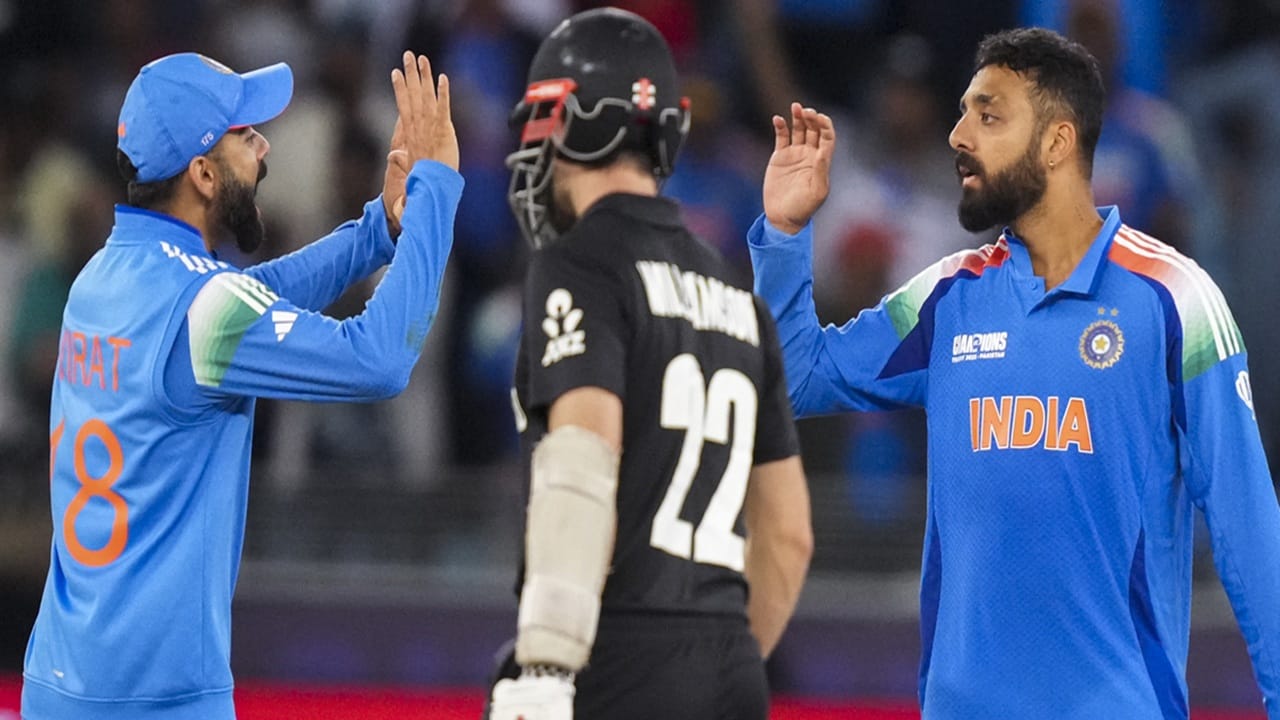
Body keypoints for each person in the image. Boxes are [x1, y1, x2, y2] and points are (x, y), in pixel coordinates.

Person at [748, 27, 1280, 719]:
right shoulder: (947, 297)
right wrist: (785, 237)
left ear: (1057, 142)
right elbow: (792, 379)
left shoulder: (1176, 300)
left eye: (988, 115)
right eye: (963, 112)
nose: (958, 135)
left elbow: (1247, 524)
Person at [20, 49, 461, 719]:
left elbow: (246, 297)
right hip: (158, 702)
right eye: (245, 134)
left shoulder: (101, 279)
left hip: (59, 682)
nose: (264, 146)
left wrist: (380, 228)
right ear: (202, 173)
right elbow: (378, 360)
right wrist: (435, 196)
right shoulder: (205, 311)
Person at [486, 8, 813, 720]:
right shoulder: (739, 296)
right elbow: (789, 535)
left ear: (575, 121)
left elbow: (583, 457)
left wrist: (549, 661)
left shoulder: (579, 264)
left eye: (542, 119)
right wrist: (718, 659)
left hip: (617, 655)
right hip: (730, 667)